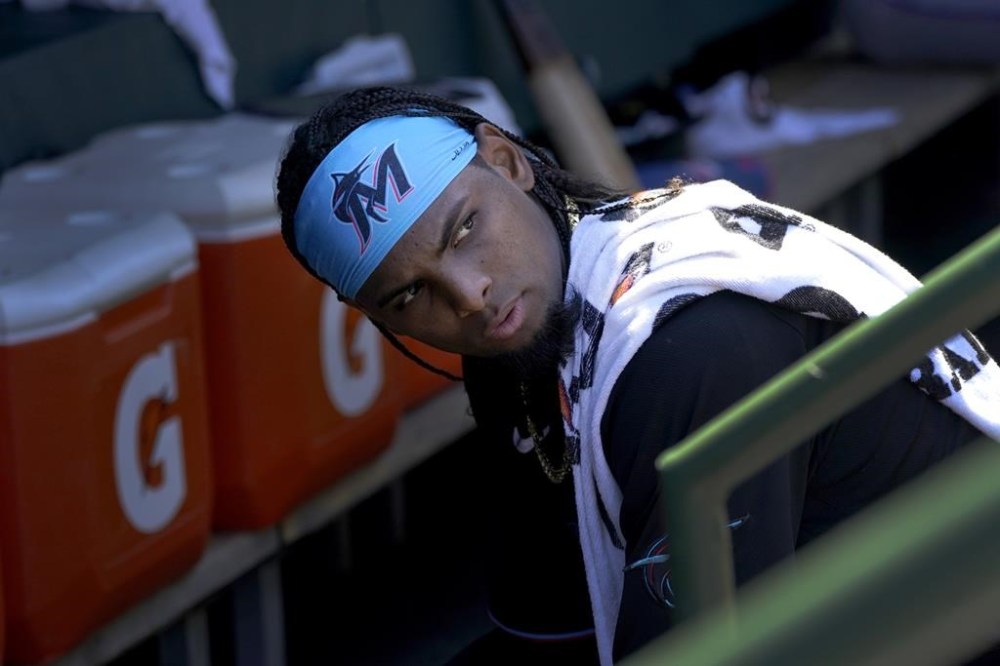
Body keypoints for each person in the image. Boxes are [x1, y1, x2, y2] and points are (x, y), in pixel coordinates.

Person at [275, 86, 1000, 665]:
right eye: (410, 295)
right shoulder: (522, 331)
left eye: (465, 229)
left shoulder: (686, 344)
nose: (467, 295)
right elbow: (550, 634)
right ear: (375, 317)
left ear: (508, 162)